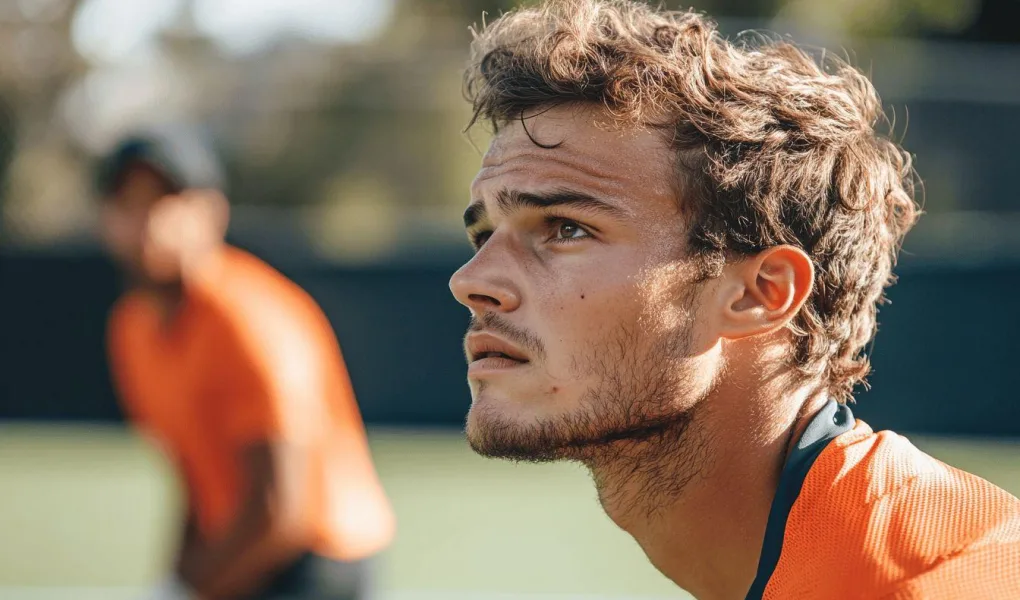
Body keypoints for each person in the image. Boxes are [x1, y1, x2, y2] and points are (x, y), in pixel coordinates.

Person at [448, 1, 1020, 599]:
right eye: (484, 234)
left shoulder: (937, 583)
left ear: (760, 294)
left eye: (565, 228)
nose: (471, 280)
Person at [98, 127, 395, 600]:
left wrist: (188, 589)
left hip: (319, 561)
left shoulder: (248, 317)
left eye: (167, 200)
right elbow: (197, 478)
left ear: (212, 212)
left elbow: (280, 508)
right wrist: (177, 577)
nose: (150, 222)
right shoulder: (133, 329)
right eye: (129, 203)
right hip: (247, 550)